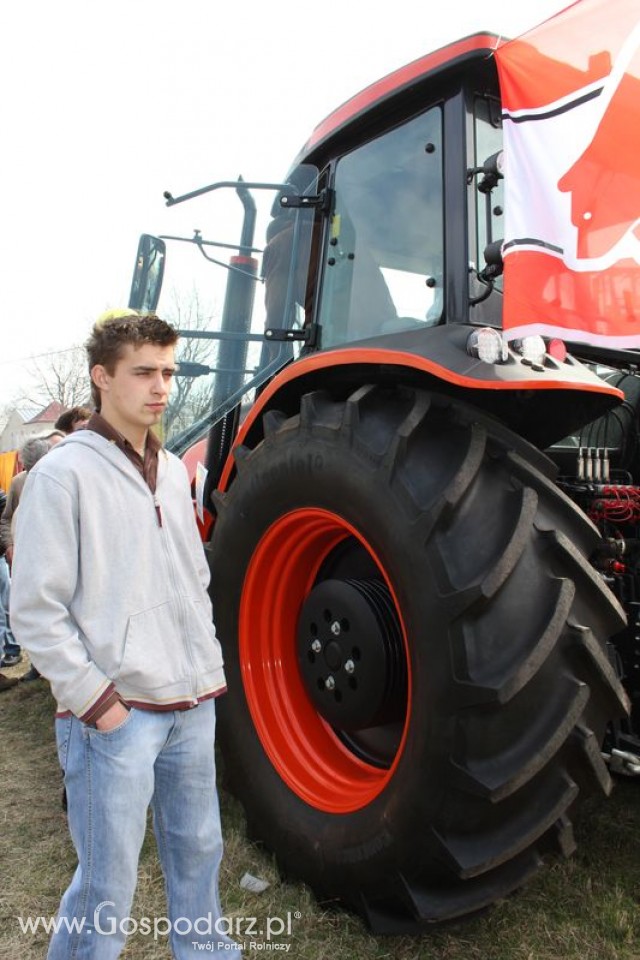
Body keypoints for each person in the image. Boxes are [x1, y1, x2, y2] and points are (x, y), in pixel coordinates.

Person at [10, 311, 238, 959]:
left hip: (190, 702)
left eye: (168, 371)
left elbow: (193, 579)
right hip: (115, 714)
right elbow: (35, 609)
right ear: (102, 377)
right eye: (144, 372)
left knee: (199, 851)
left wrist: (207, 668)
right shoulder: (63, 475)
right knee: (106, 884)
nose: (161, 386)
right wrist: (97, 702)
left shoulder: (172, 470)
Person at [0, 433, 62, 681]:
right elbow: (5, 518)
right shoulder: (18, 483)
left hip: (57, 557)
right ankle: (38, 665)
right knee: (36, 611)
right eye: (29, 467)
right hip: (29, 559)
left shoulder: (62, 478)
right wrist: (9, 545)